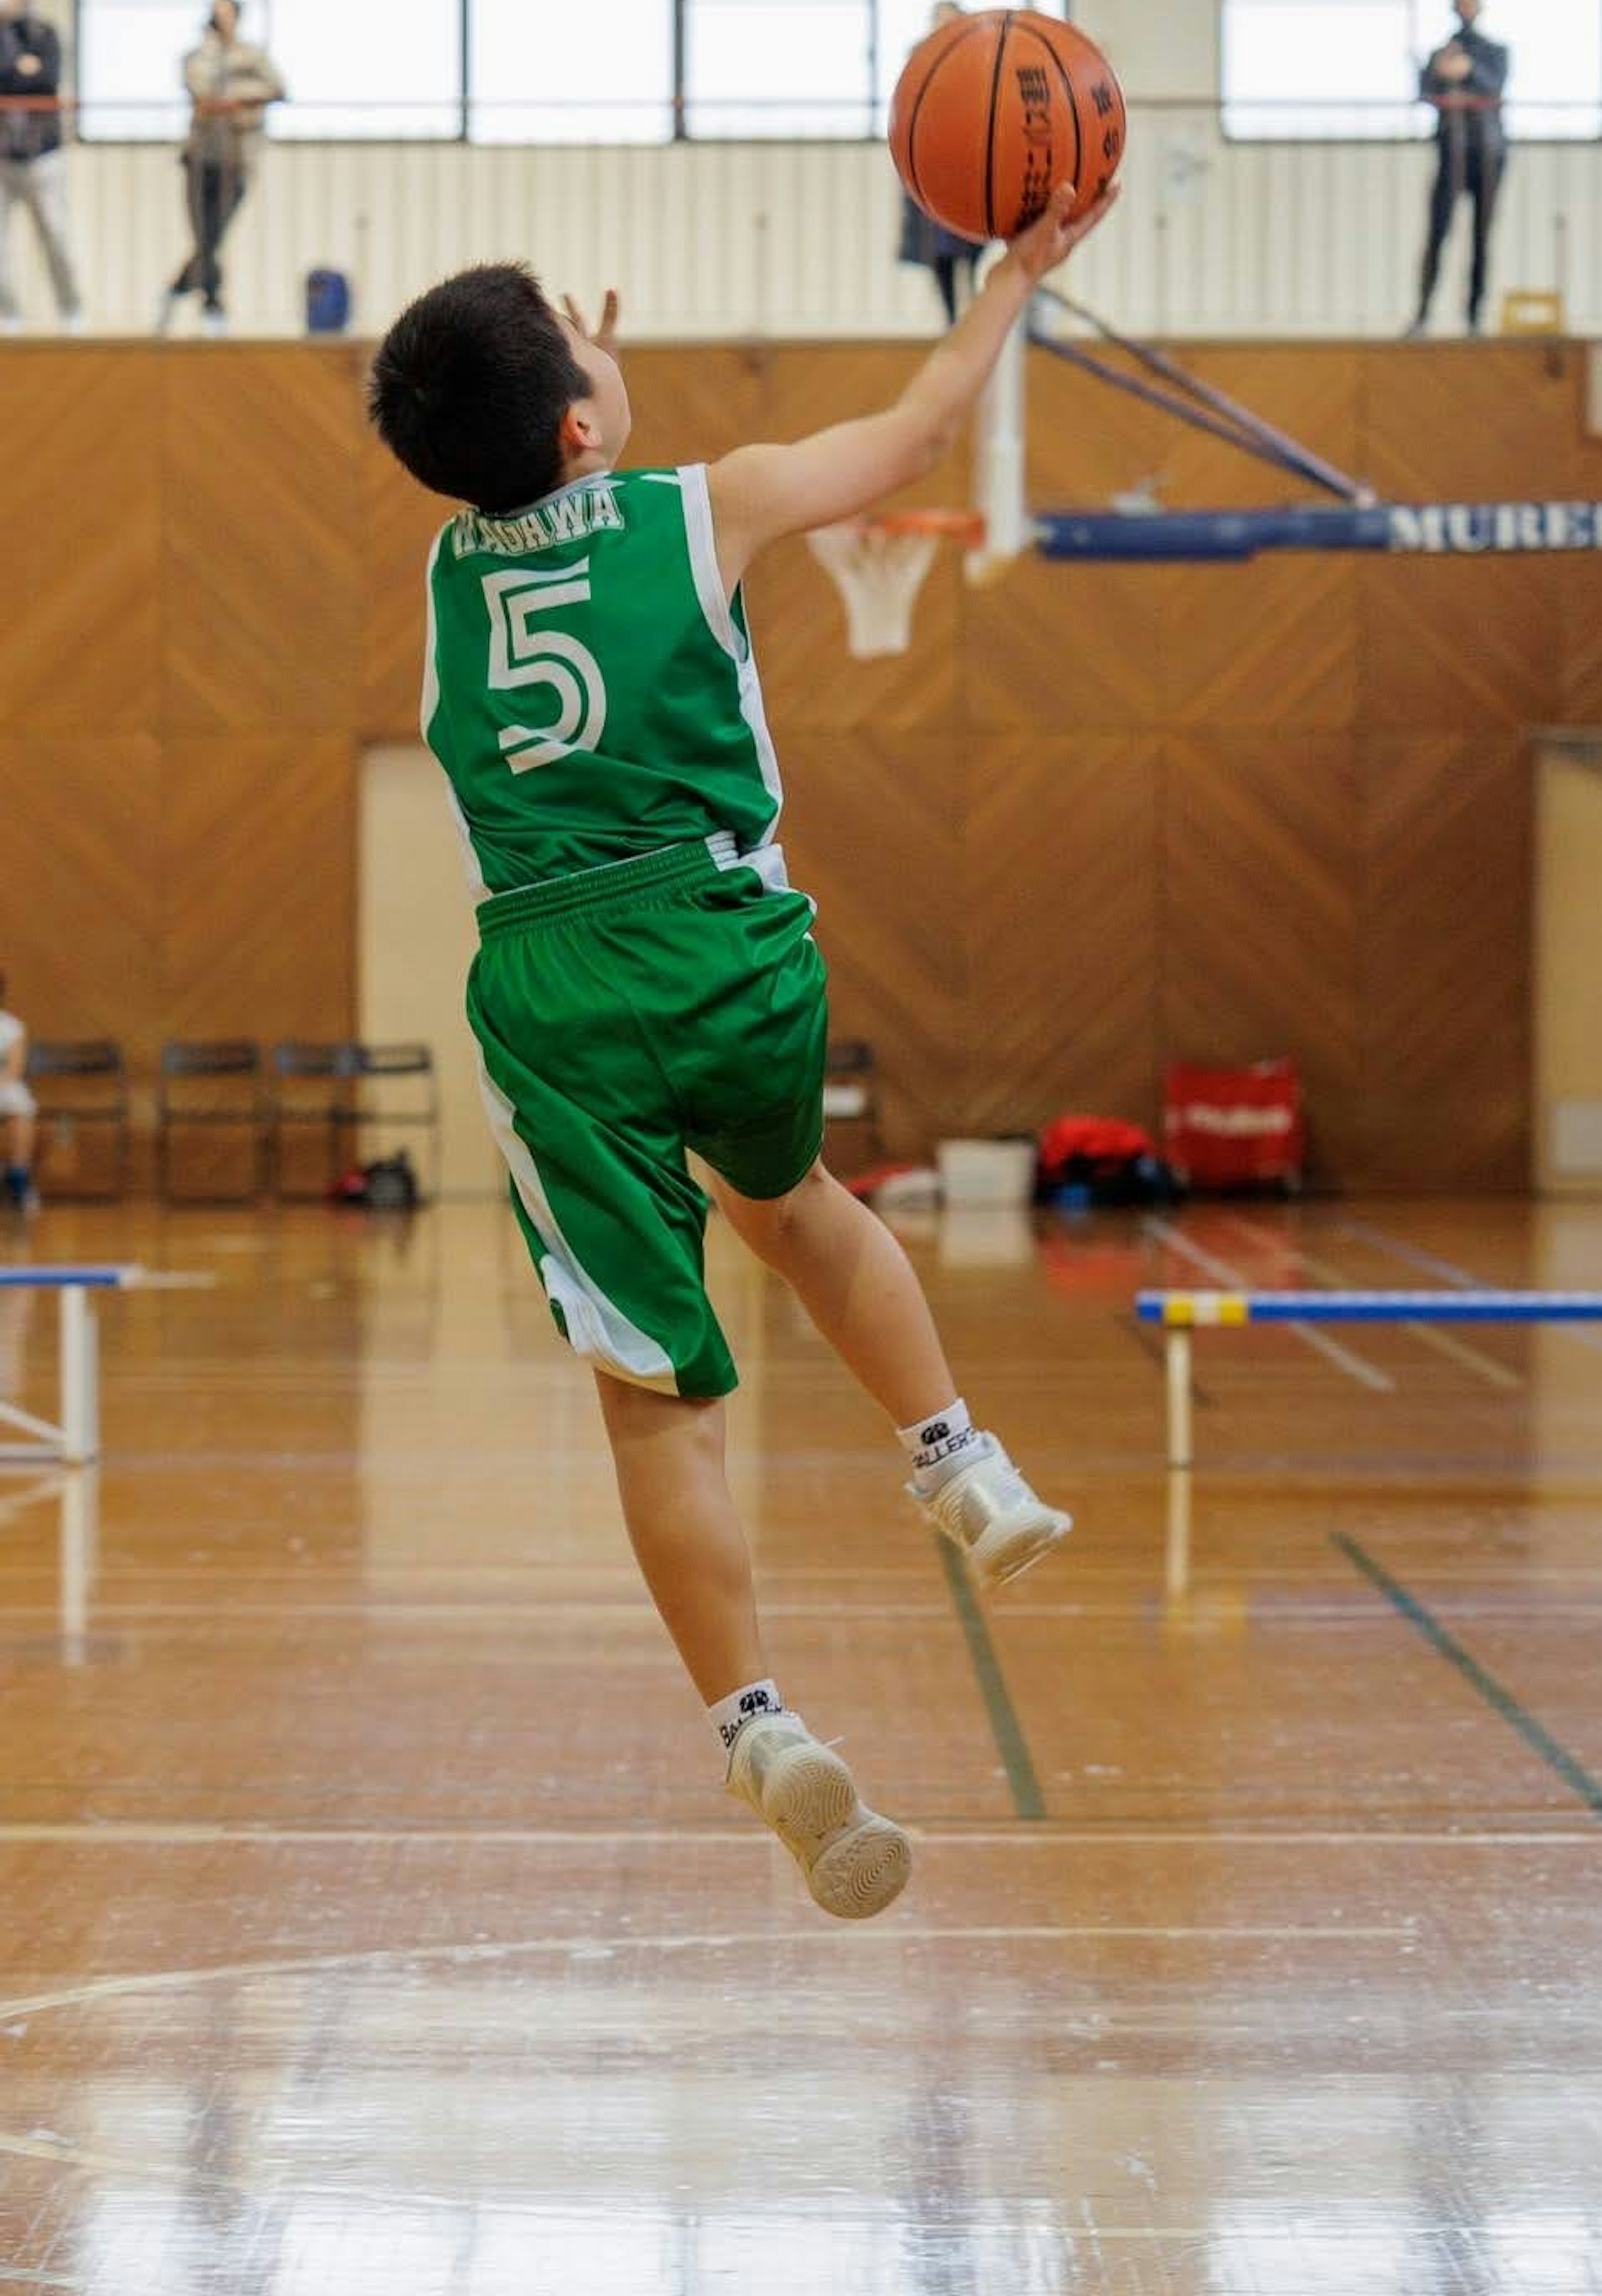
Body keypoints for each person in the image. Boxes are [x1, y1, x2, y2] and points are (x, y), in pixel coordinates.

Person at [367, 177, 1114, 1919]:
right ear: (579, 414)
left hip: (551, 986)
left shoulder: (443, 568)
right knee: (795, 1203)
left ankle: (759, 1723)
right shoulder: (711, 507)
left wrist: (579, 385)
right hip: (725, 944)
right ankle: (956, 1457)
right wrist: (1011, 275)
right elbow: (924, 427)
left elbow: (541, 496)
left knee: (652, 1401)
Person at [158, 0, 285, 338]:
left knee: (212, 239)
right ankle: (213, 305)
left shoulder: (253, 55)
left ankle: (177, 290)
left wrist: (237, 100)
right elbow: (202, 94)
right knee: (205, 236)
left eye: (227, 13)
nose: (221, 19)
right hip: (201, 160)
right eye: (216, 14)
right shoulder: (198, 56)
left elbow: (278, 88)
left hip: (239, 160)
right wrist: (238, 99)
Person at [1409, 0, 1509, 338]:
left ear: (1479, 6)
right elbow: (1424, 90)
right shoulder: (1442, 53)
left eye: (1472, 2)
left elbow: (1495, 84)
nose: (1466, 8)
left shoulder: (1495, 52)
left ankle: (1474, 317)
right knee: (1439, 231)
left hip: (1487, 153)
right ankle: (1423, 314)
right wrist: (1440, 70)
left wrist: (1467, 71)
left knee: (1482, 236)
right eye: (1461, 2)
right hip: (1451, 151)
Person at [0, 0, 83, 336]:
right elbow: (15, 76)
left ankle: (72, 314)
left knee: (56, 233)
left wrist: (23, 73)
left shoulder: (43, 33)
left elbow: (47, 78)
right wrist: (19, 69)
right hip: (2, 155)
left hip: (43, 154)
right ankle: (8, 317)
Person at [897, 0, 986, 323]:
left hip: (969, 167)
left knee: (975, 243)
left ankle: (976, 309)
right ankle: (952, 320)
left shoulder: (978, 60)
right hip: (932, 166)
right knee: (939, 251)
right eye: (939, 21)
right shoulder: (920, 60)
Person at [0, 976, 40, 1217]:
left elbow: (14, 1069)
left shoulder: (12, 1027)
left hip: (3, 1085)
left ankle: (18, 1175)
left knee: (21, 1105)